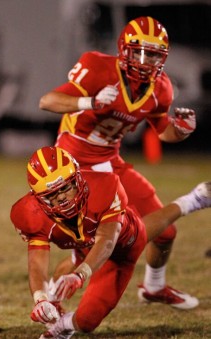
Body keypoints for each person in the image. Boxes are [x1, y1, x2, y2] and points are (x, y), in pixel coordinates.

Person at [38, 16, 199, 309]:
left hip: (110, 161)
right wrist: (90, 102)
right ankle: (52, 304)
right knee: (87, 256)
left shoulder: (160, 88)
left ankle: (154, 287)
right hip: (76, 166)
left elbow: (163, 131)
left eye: (153, 53)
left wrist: (182, 131)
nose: (145, 59)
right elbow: (48, 101)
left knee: (165, 232)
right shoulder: (97, 67)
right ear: (123, 49)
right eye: (139, 50)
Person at [10, 146, 211, 338]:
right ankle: (54, 298)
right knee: (77, 254)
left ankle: (192, 200)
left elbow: (106, 241)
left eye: (66, 187)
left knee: (87, 321)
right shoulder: (28, 213)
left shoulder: (104, 186)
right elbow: (37, 261)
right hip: (84, 241)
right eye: (52, 194)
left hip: (120, 244)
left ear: (78, 179)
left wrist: (80, 275)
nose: (62, 197)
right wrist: (40, 298)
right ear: (38, 198)